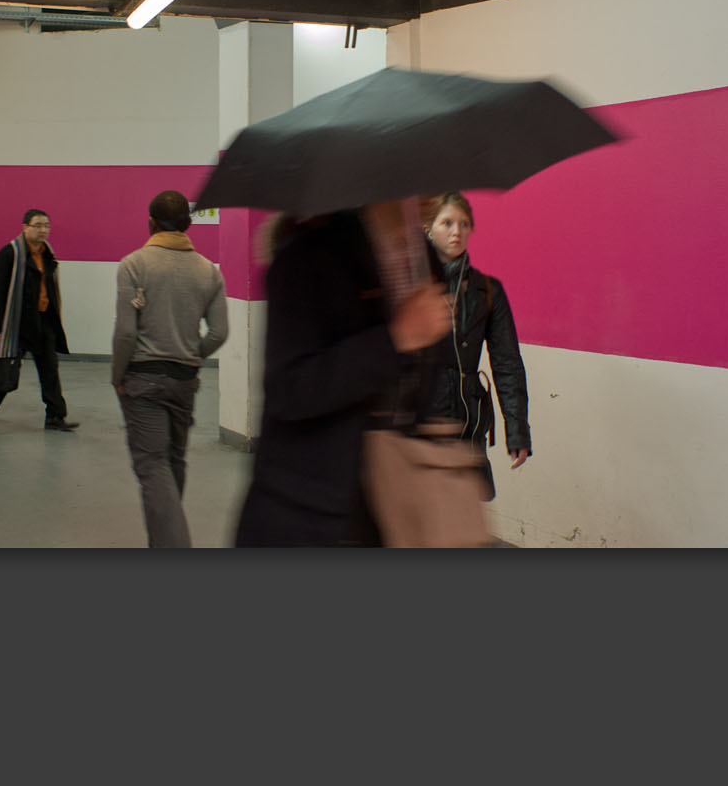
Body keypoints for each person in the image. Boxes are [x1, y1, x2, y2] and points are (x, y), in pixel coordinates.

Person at [232, 204, 452, 546]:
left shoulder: (426, 262)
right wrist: (396, 339)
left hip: (389, 505)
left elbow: (419, 392)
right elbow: (289, 390)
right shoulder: (308, 253)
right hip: (308, 513)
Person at [110, 190, 229, 547]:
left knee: (152, 466)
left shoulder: (134, 264)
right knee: (173, 462)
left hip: (143, 380)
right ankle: (163, 540)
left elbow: (127, 332)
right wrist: (191, 352)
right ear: (187, 226)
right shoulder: (209, 271)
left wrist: (117, 375)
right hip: (185, 380)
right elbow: (220, 332)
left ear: (150, 223)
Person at [419, 192, 532, 501]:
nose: (457, 231)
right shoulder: (410, 285)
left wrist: (517, 430)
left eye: (464, 223)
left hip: (467, 421)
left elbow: (507, 362)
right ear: (428, 228)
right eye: (447, 223)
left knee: (458, 519)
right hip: (418, 416)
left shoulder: (487, 290)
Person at [0, 208, 78, 430]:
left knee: (50, 370)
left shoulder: (47, 254)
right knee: (7, 369)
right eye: (38, 225)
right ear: (25, 227)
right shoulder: (10, 253)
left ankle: (55, 416)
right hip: (18, 323)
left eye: (46, 225)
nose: (43, 230)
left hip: (43, 321)